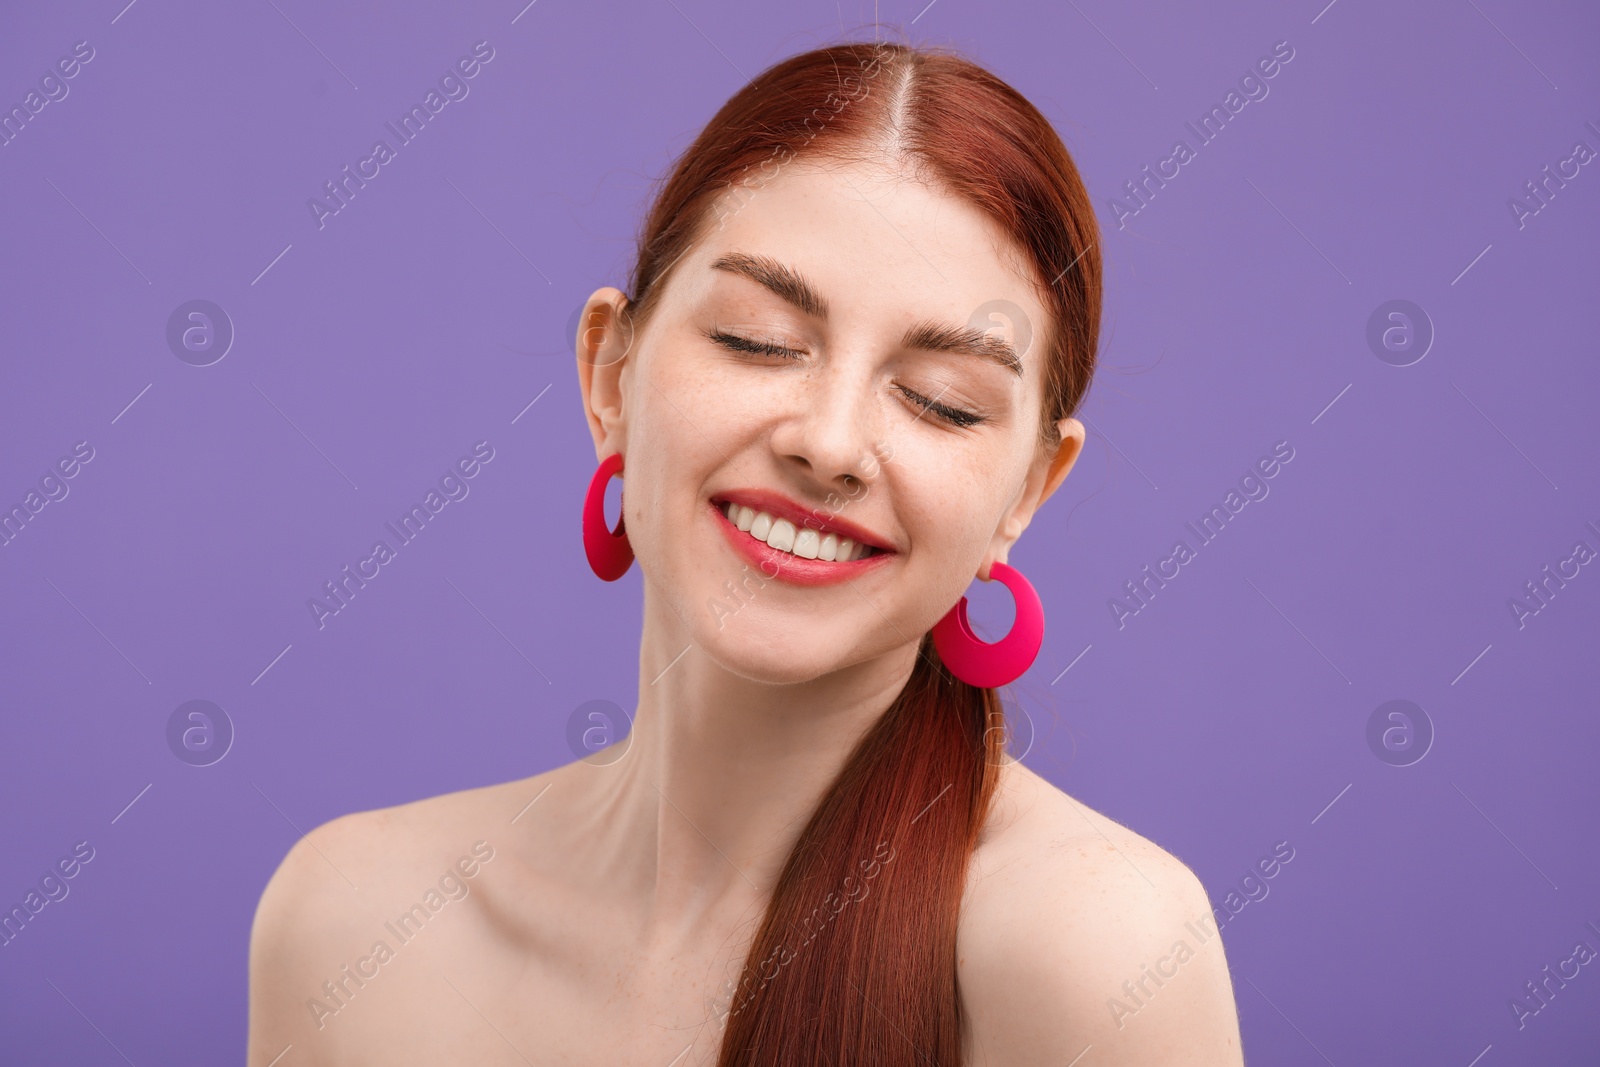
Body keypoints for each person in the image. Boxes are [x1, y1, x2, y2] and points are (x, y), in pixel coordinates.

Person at [247, 39, 1244, 1066]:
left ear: (1026, 493)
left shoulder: (1095, 945)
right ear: (610, 375)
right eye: (756, 338)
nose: (829, 441)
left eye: (941, 400)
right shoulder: (350, 923)